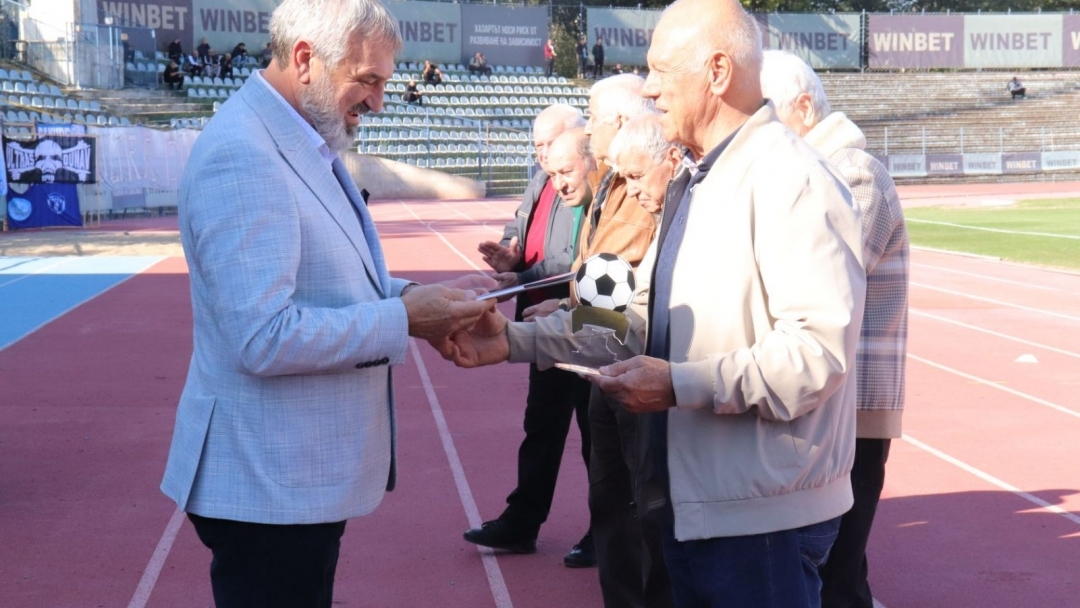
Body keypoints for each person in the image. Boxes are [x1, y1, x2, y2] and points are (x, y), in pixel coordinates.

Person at [159, 1, 495, 606]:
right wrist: (402, 319)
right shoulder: (246, 155)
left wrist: (419, 300)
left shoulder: (294, 139)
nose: (378, 101)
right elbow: (263, 335)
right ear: (306, 59)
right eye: (367, 80)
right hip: (268, 491)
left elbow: (330, 285)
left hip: (289, 484)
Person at [590, 0, 866, 606]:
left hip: (760, 520)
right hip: (703, 506)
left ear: (717, 73)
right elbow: (640, 302)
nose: (647, 87)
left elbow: (815, 355)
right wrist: (514, 340)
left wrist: (679, 384)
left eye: (661, 70)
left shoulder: (792, 179)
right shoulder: (699, 176)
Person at [444, 76, 667, 608]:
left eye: (593, 116)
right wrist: (556, 316)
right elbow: (604, 288)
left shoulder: (633, 188)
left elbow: (608, 301)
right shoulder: (614, 185)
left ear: (619, 122)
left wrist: (530, 331)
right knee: (615, 502)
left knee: (637, 514)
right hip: (608, 356)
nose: (588, 130)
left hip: (630, 366)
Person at [760, 49, 909, 608]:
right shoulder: (814, 169)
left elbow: (831, 270)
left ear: (803, 108)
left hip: (856, 401)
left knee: (838, 569)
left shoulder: (854, 172)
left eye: (768, 114)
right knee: (837, 565)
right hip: (829, 395)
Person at [464, 105, 595, 567]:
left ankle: (604, 528)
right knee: (541, 423)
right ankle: (523, 521)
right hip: (541, 318)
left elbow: (573, 262)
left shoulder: (589, 190)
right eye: (537, 147)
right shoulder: (545, 179)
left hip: (584, 322)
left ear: (580, 142)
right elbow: (521, 226)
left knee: (595, 429)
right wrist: (510, 252)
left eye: (552, 149)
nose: (543, 159)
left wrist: (526, 279)